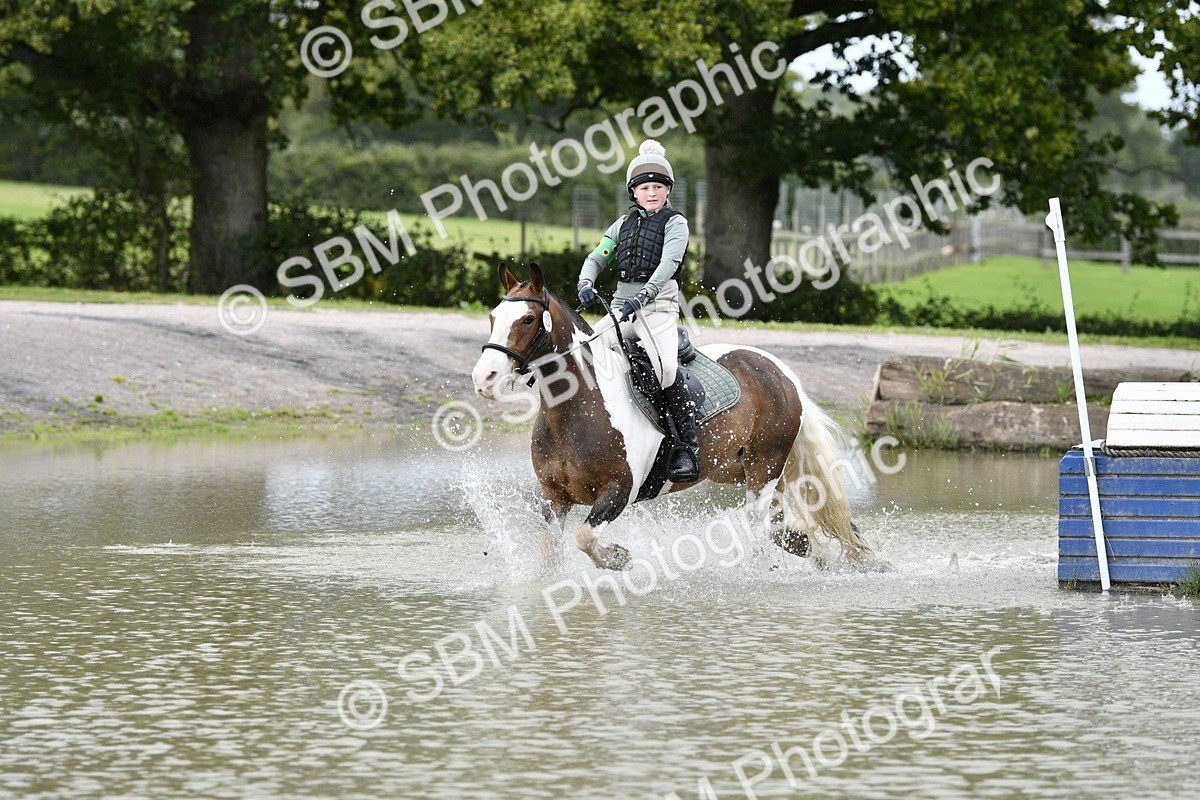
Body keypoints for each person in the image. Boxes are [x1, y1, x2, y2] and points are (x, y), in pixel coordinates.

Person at [577, 139, 699, 483]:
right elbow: (597, 256)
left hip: (657, 309)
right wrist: (586, 283)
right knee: (586, 354)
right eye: (645, 188)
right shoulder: (622, 225)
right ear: (634, 192)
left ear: (667, 190)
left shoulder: (676, 223)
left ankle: (684, 447)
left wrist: (643, 296)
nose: (651, 193)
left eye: (658, 188)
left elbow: (668, 264)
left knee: (665, 371)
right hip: (622, 308)